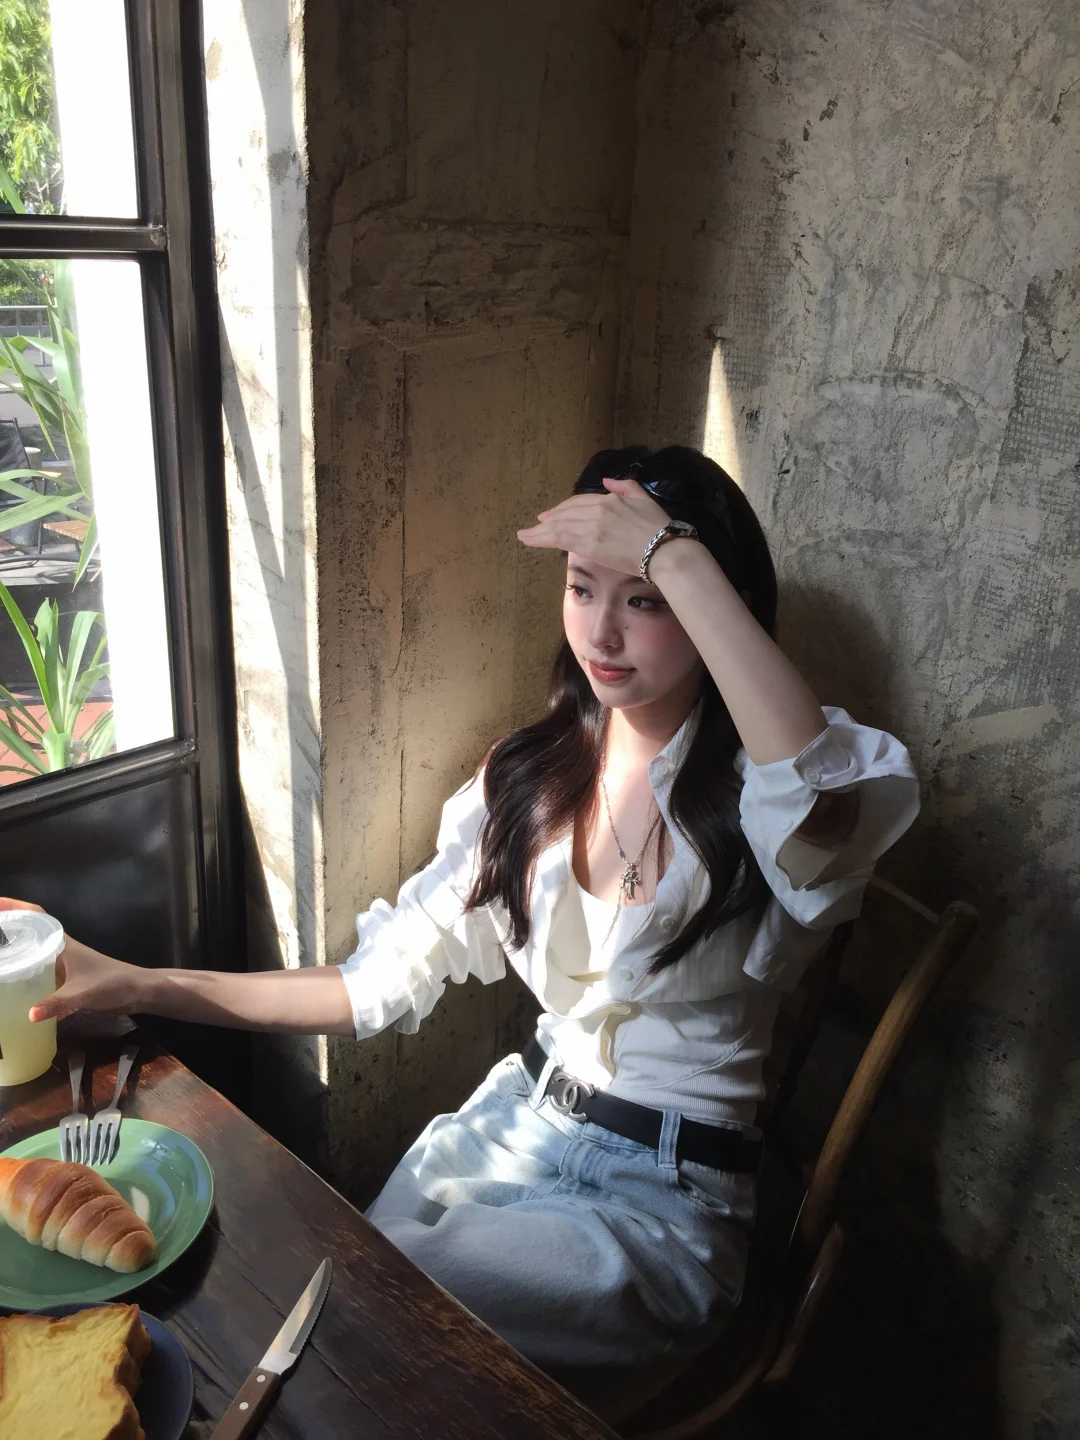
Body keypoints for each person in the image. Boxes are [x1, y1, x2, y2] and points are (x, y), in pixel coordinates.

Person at [2, 445, 920, 1420]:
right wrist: (139, 981)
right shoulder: (529, 783)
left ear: (714, 601)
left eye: (645, 599)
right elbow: (370, 983)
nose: (600, 632)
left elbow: (813, 795)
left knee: (347, 1332)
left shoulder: (772, 795)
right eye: (581, 587)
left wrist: (678, 555)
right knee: (331, 1313)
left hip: (662, 1201)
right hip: (511, 1132)